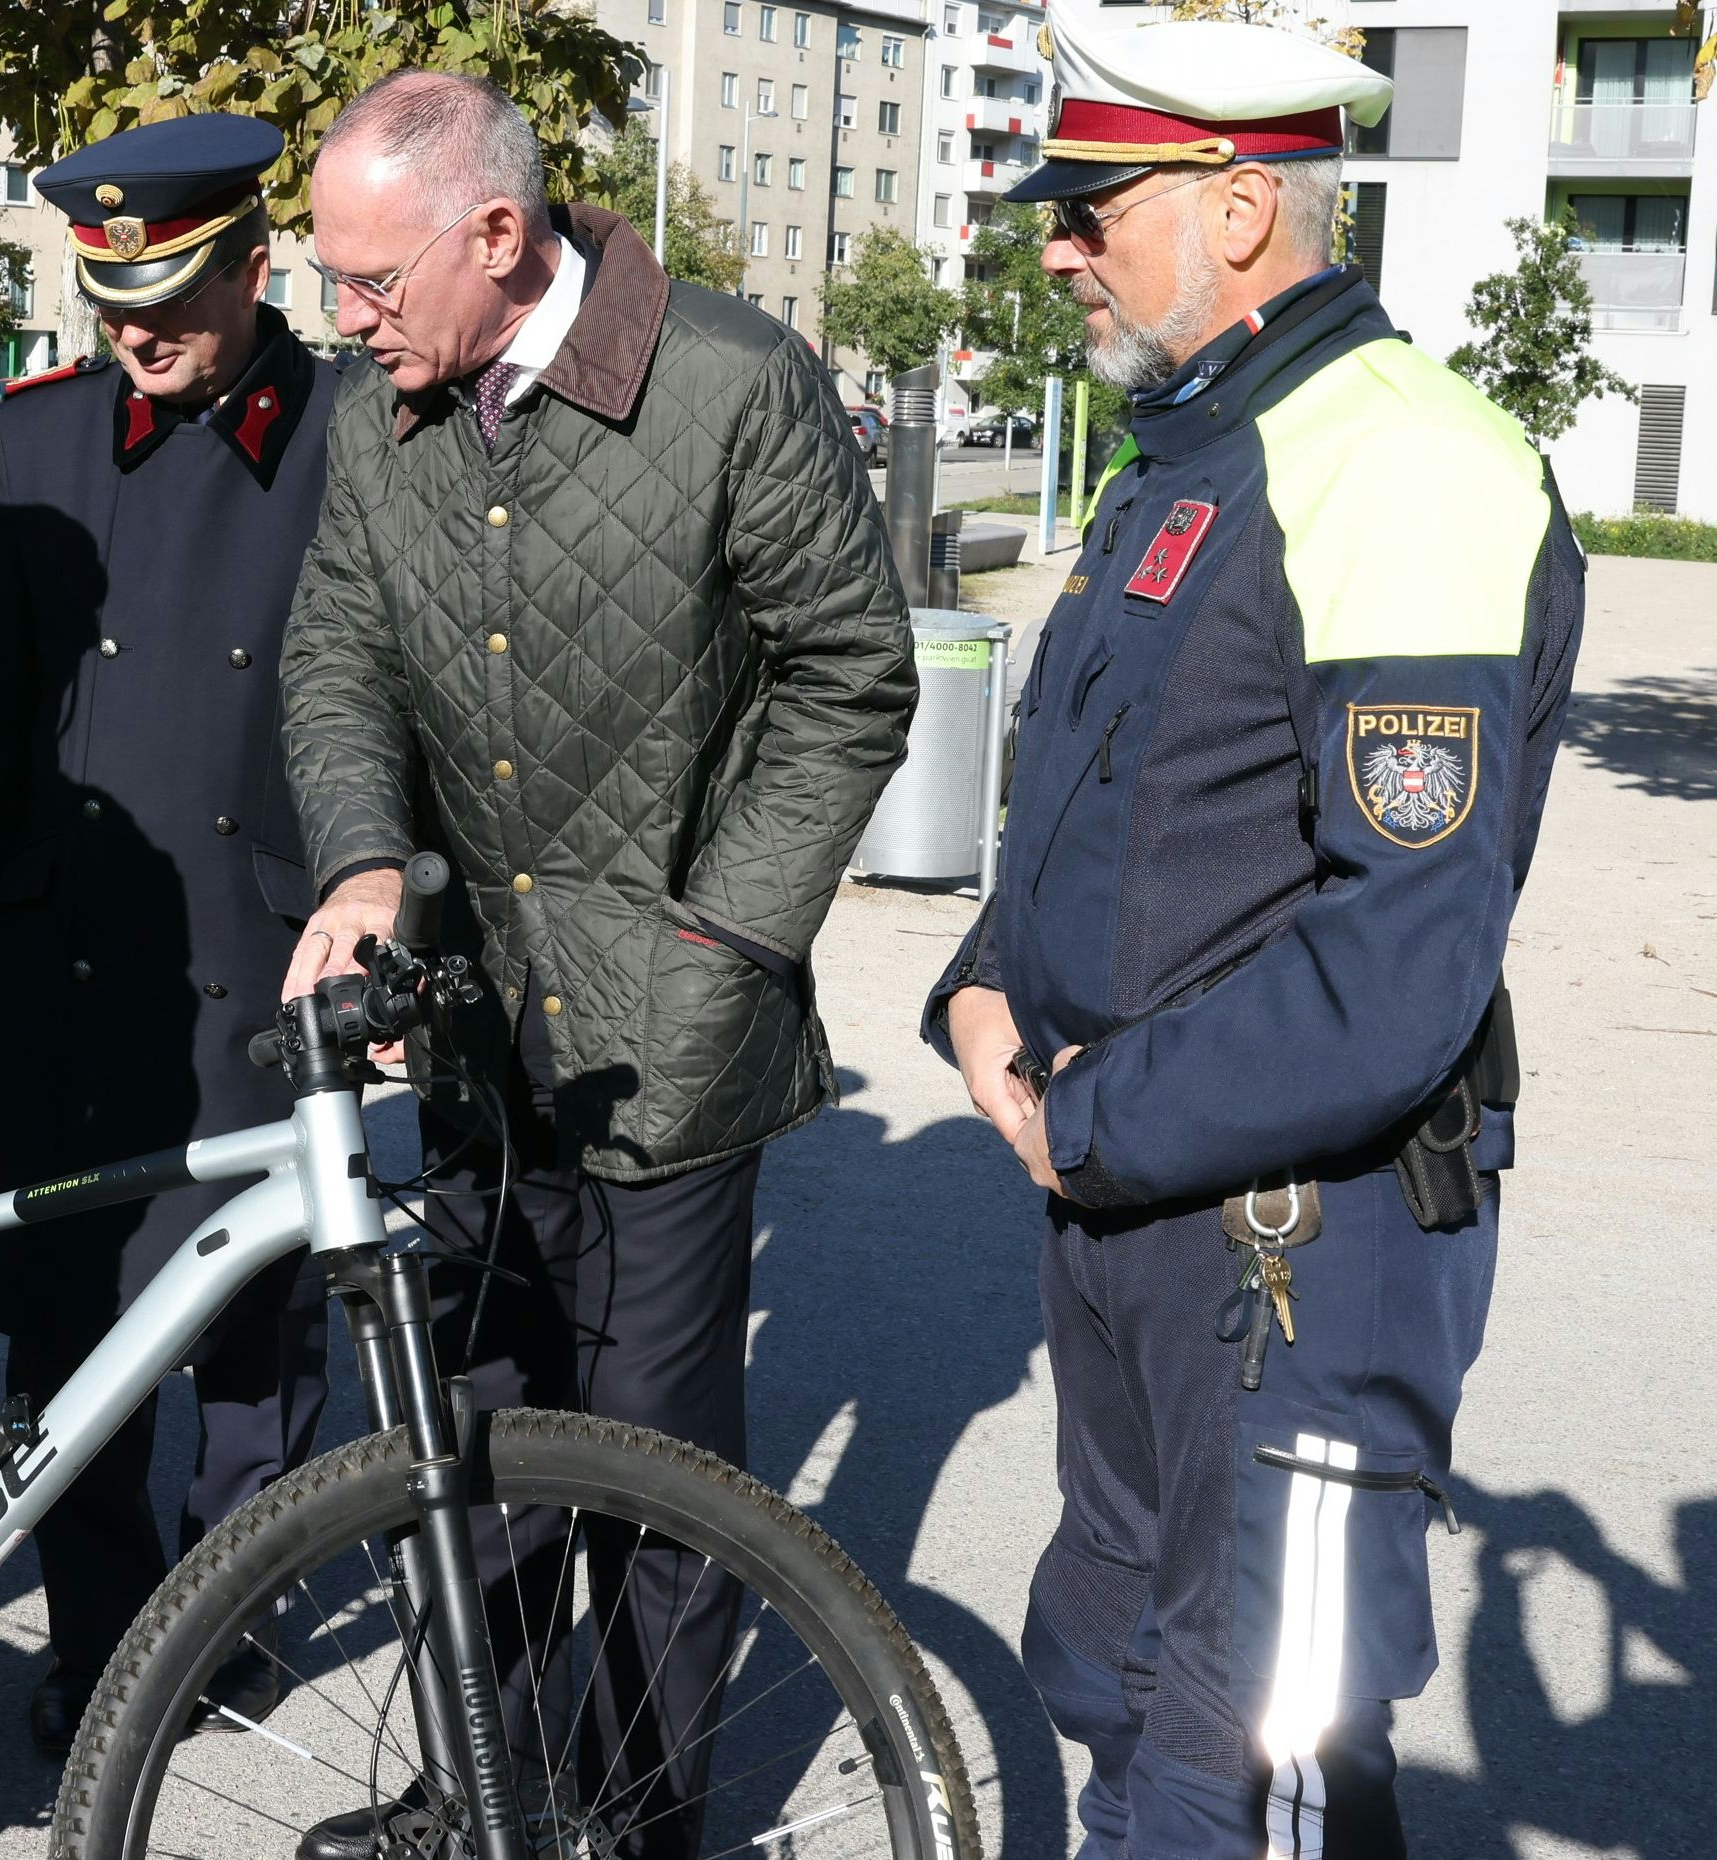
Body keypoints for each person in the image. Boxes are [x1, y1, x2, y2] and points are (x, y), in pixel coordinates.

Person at [921, 16, 1582, 1854]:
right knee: (1116, 1677)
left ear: (1233, 211)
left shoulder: (1401, 462)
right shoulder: (1193, 446)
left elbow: (1395, 965)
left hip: (1293, 1235)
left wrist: (1084, 1119)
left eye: (1091, 212)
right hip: (1138, 1203)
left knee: (1244, 1751)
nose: (1056, 251)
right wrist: (981, 986)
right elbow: (1105, 802)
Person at [275, 71, 916, 1854]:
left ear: (496, 233)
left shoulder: (730, 382)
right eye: (330, 281)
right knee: (474, 1453)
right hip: (473, 1033)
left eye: (369, 281)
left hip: (676, 1043)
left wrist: (721, 943)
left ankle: (631, 1828)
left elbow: (851, 673)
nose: (345, 318)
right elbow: (335, 652)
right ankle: (477, 1802)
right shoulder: (380, 409)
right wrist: (362, 867)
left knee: (649, 1481)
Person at [0, 112, 336, 1758]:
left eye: (164, 299)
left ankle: (220, 1620)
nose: (134, 335)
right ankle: (101, 1644)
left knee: (255, 1329)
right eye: (108, 305)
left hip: (258, 937)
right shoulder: (40, 436)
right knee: (63, 1318)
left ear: (253, 264)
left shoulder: (350, 431)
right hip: (70, 953)